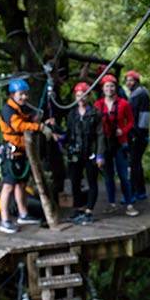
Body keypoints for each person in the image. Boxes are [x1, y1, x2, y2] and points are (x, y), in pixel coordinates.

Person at [0, 78, 56, 234]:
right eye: (21, 94)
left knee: (21, 184)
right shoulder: (8, 110)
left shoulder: (22, 108)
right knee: (8, 186)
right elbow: (19, 125)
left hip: (22, 152)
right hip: (12, 153)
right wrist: (39, 127)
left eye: (25, 94)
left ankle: (23, 213)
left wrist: (40, 120)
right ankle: (5, 220)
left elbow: (28, 119)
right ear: (12, 94)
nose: (24, 97)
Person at [94, 74, 139, 217]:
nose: (109, 88)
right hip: (105, 144)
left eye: (112, 85)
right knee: (108, 176)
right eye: (107, 86)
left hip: (120, 143)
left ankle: (129, 203)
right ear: (103, 88)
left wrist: (123, 130)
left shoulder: (123, 104)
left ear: (116, 88)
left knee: (123, 175)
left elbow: (131, 121)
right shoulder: (98, 105)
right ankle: (112, 203)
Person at [64, 82, 105, 225]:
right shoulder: (72, 114)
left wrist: (100, 155)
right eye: (78, 95)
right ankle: (79, 208)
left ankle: (89, 211)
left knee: (92, 180)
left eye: (84, 95)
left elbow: (100, 135)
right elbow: (68, 133)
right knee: (75, 181)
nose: (81, 98)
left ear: (88, 96)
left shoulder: (95, 113)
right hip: (75, 153)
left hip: (90, 152)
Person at [124, 70, 150, 201]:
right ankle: (140, 191)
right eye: (127, 80)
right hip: (135, 134)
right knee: (136, 163)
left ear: (137, 81)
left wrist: (138, 133)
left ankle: (135, 192)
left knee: (134, 163)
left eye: (131, 80)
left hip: (138, 135)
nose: (129, 83)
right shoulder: (133, 95)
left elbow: (144, 115)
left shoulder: (142, 95)